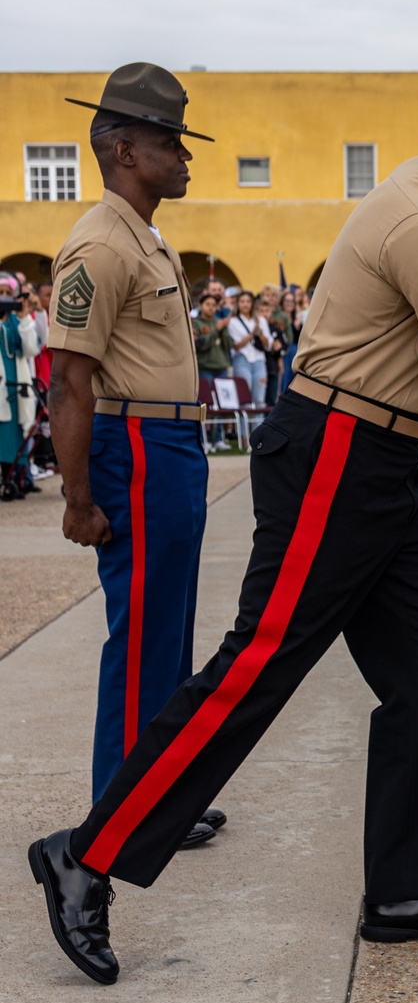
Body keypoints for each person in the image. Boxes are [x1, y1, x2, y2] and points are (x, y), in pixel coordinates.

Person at [28, 53, 418, 986]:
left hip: (380, 459)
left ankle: (407, 890)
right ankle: (88, 855)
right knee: (258, 666)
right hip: (336, 454)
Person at [44, 63, 224, 847]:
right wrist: (77, 498)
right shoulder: (97, 244)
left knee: (170, 626)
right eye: (169, 143)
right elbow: (70, 382)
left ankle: (159, 787)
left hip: (171, 441)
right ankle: (120, 808)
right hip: (138, 449)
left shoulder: (143, 236)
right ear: (123, 151)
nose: (185, 156)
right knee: (143, 628)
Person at [0, 278, 42, 499]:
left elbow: (32, 348)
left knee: (16, 435)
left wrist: (25, 317)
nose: (4, 297)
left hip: (15, 388)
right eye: (0, 292)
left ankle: (15, 479)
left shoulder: (17, 322)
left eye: (8, 292)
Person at [193, 290, 233, 450]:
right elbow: (201, 346)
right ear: (200, 306)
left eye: (213, 305)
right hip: (205, 368)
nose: (210, 308)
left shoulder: (219, 322)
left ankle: (218, 439)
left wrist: (223, 330)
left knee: (219, 406)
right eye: (207, 304)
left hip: (221, 367)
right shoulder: (196, 323)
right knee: (206, 406)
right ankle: (204, 440)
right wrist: (216, 329)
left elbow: (229, 344)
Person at [229, 289, 272, 428]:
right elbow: (235, 346)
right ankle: (243, 435)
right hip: (241, 359)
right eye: (242, 301)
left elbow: (268, 344)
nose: (245, 304)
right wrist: (251, 334)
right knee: (244, 399)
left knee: (259, 400)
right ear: (238, 303)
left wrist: (258, 333)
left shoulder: (260, 320)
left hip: (259, 360)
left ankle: (257, 435)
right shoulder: (233, 322)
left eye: (248, 301)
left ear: (252, 303)